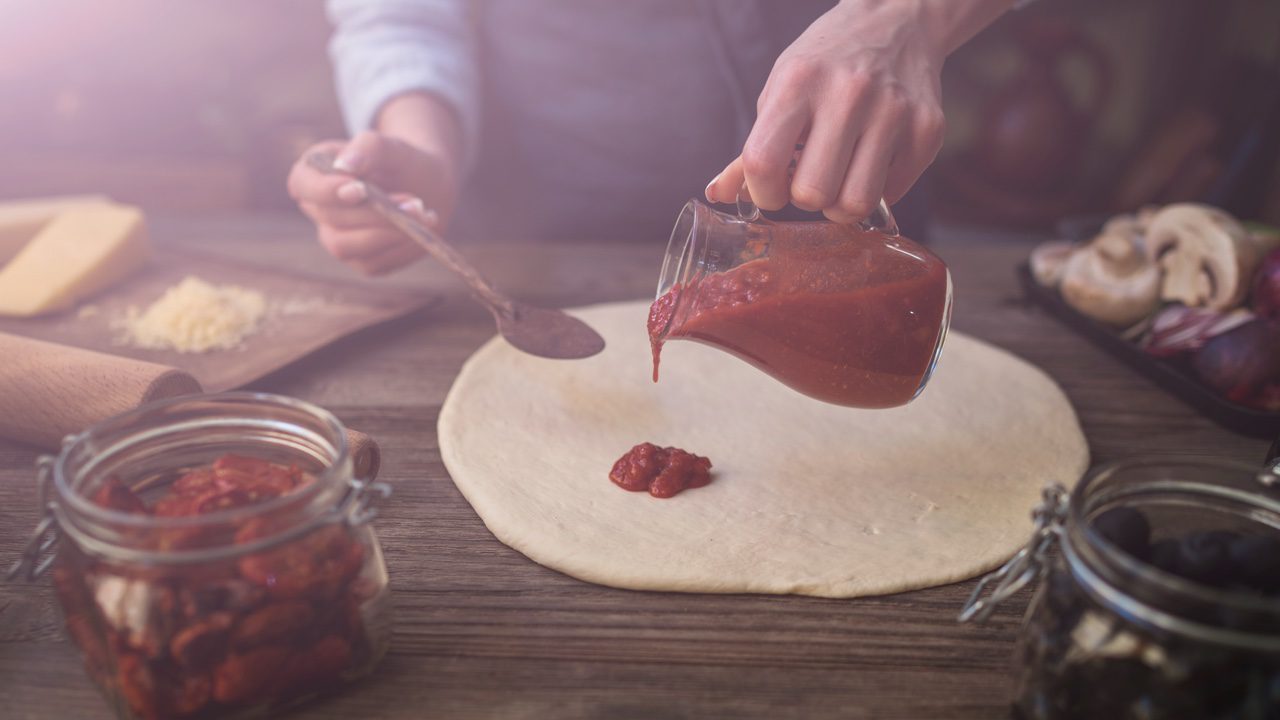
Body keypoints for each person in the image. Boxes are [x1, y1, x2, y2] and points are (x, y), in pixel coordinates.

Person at [289, 0, 1018, 276]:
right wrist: (423, 149)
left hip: (854, 194)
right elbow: (403, 16)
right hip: (549, 241)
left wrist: (913, 16)